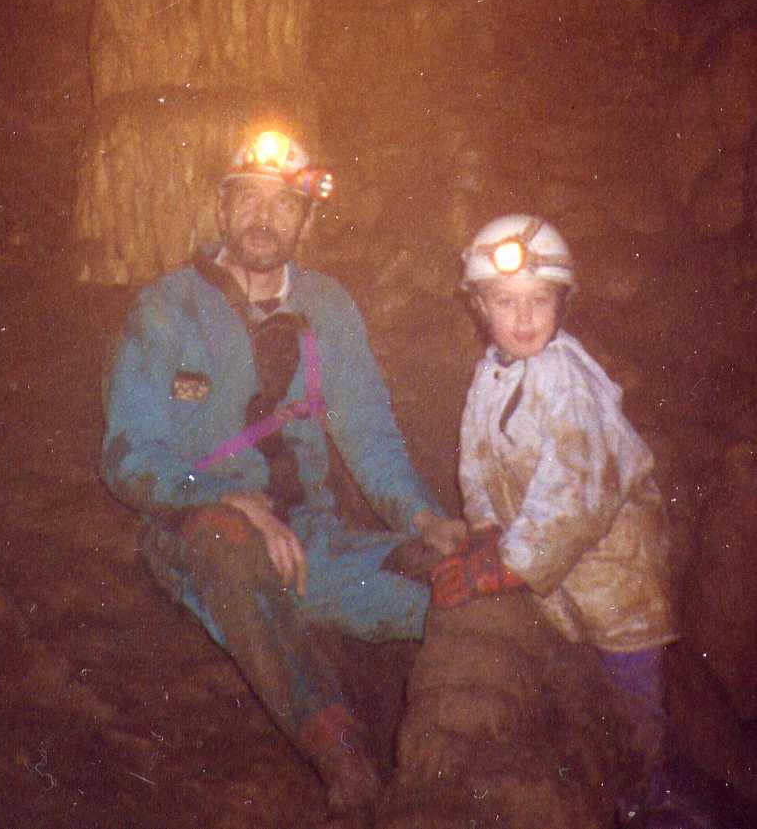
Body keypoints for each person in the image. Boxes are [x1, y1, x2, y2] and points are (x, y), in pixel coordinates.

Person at [101, 128, 466, 817]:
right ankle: (343, 758)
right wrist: (228, 498)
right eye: (247, 199)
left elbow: (368, 433)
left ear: (305, 220)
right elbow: (128, 455)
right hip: (194, 532)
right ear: (221, 209)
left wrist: (424, 519)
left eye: (283, 204)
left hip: (311, 538)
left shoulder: (327, 307)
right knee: (229, 541)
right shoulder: (167, 308)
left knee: (448, 593)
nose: (263, 218)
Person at [429, 214, 709, 829]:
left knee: (631, 687)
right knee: (583, 688)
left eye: (540, 300)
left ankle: (656, 795)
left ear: (563, 303)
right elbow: (475, 461)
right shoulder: (490, 374)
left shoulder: (568, 379)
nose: (524, 316)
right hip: (556, 572)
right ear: (479, 306)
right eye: (506, 301)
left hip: (615, 573)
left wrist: (501, 568)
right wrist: (484, 527)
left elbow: (572, 497)